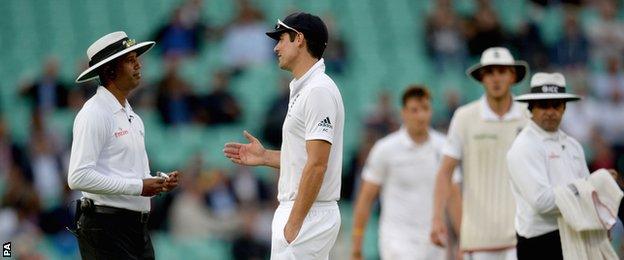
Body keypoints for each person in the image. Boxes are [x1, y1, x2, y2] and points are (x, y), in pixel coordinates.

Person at [223, 12, 344, 259]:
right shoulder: (305, 88)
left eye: (281, 39)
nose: (276, 47)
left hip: (307, 212)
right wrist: (265, 156)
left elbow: (318, 164)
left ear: (299, 39)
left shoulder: (317, 90)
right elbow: (305, 157)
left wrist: (294, 222)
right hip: (304, 211)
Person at [68, 31, 179, 259]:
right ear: (110, 71)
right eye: (130, 60)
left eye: (137, 59)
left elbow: (130, 172)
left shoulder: (132, 116)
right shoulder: (94, 113)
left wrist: (157, 181)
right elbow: (77, 177)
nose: (139, 65)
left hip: (134, 228)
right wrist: (139, 186)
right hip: (106, 227)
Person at [507, 72, 620, 259]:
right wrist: (592, 185)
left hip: (575, 237)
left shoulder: (573, 145)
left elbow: (586, 190)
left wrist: (598, 183)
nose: (550, 111)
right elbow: (541, 202)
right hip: (540, 243)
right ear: (531, 108)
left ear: (564, 108)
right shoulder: (524, 146)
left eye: (556, 105)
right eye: (543, 105)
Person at [431, 47, 530, 259]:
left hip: (521, 233)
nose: (496, 78)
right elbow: (445, 172)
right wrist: (437, 218)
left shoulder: (529, 116)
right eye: (490, 72)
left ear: (512, 76)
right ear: (481, 78)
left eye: (501, 71)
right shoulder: (464, 117)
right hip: (478, 237)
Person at [351, 86, 456, 259]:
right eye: (414, 110)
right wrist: (357, 245)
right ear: (403, 113)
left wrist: (462, 242)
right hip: (396, 242)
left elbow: (454, 196)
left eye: (425, 109)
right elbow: (366, 198)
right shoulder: (385, 149)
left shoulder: (445, 148)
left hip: (434, 242)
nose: (420, 116)